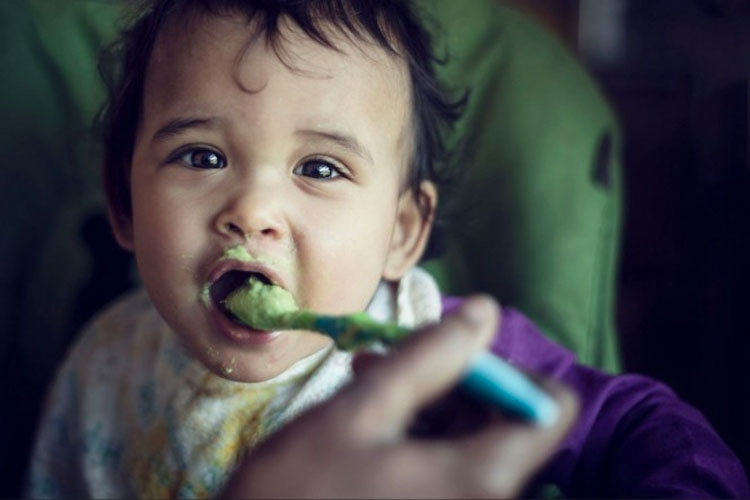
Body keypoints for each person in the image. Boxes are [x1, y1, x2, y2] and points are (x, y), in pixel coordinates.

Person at [26, 0, 748, 497]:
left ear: (402, 232)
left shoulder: (437, 354)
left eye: (319, 168)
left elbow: (634, 427)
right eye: (201, 157)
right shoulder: (103, 366)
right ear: (123, 205)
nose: (251, 211)